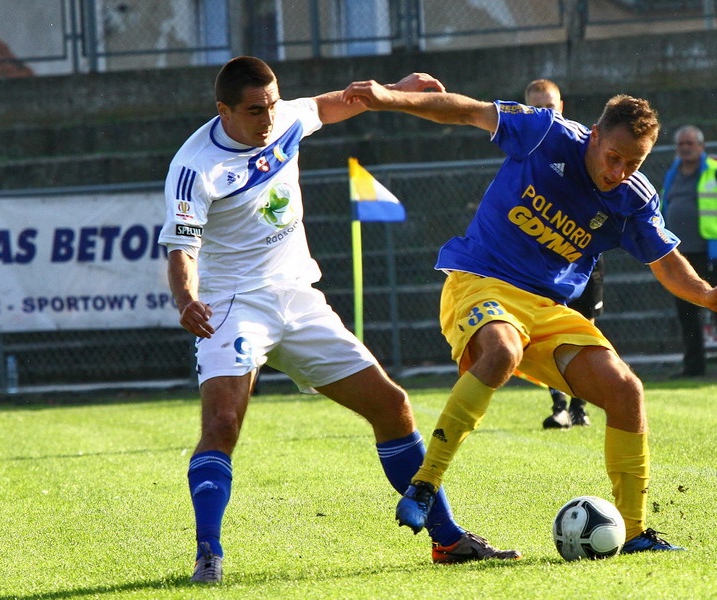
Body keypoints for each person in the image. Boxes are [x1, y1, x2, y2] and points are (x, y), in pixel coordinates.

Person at [342, 81, 717, 553]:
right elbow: (467, 111)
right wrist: (390, 98)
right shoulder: (546, 133)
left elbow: (665, 260)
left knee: (625, 390)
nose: (619, 172)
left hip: (546, 309)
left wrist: (706, 294)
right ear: (595, 135)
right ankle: (425, 482)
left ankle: (635, 533)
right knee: (501, 350)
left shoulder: (634, 199)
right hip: (481, 281)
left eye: (633, 163)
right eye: (614, 157)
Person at [158, 56, 519, 584]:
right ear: (224, 111)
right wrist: (185, 298)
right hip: (233, 307)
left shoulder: (283, 117)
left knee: (393, 406)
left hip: (299, 299)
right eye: (255, 111)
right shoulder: (195, 168)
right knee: (221, 425)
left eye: (272, 105)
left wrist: (396, 89)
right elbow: (180, 250)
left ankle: (448, 540)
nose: (268, 119)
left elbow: (330, 105)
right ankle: (207, 555)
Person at [524, 78, 600, 429]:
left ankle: (580, 407)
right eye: (536, 109)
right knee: (550, 335)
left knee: (585, 330)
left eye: (550, 108)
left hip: (583, 257)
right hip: (542, 262)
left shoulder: (582, 145)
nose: (544, 116)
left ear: (562, 107)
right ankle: (559, 407)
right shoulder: (523, 150)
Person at [661, 125, 717, 376]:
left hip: (712, 254)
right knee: (686, 312)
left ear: (701, 146)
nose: (685, 148)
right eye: (681, 144)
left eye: (690, 143)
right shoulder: (673, 173)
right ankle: (694, 366)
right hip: (681, 256)